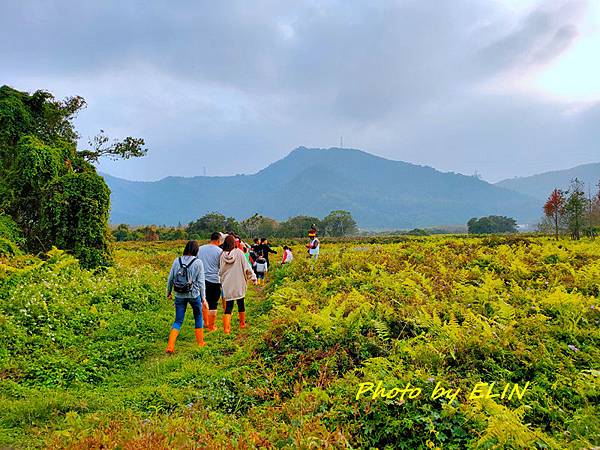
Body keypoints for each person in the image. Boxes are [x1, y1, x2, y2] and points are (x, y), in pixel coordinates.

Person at [166, 240, 208, 353]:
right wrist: (203, 298)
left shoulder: (177, 260)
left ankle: (170, 346)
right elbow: (201, 282)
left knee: (178, 320)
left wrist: (168, 292)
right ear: (196, 250)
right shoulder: (198, 262)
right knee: (198, 316)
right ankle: (200, 343)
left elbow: (170, 278)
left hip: (179, 294)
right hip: (194, 294)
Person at [219, 235, 257, 333]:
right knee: (241, 303)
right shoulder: (239, 253)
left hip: (227, 283)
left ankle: (226, 329)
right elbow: (247, 267)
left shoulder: (222, 255)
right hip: (239, 282)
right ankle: (242, 324)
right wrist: (253, 278)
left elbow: (221, 271)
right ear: (234, 243)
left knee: (228, 307)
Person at [197, 232, 223, 332]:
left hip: (201, 279)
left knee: (204, 301)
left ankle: (206, 322)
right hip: (214, 280)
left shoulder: (200, 249)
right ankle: (211, 326)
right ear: (218, 240)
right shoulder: (220, 251)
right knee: (213, 304)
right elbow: (221, 266)